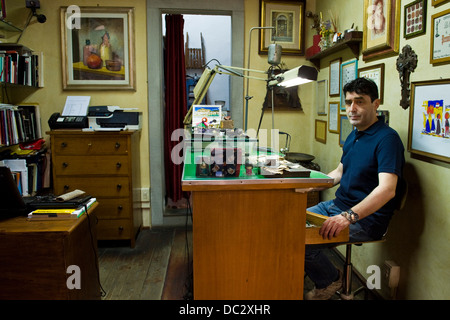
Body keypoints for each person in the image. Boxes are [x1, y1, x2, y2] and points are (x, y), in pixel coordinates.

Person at [304, 77, 405, 300]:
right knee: (287, 224)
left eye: (359, 101)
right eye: (348, 102)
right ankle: (323, 277)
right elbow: (339, 172)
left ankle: (329, 280)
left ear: (376, 104)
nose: (352, 108)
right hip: (337, 206)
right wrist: (308, 185)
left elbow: (388, 190)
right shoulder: (354, 134)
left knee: (300, 240)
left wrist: (347, 217)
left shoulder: (387, 139)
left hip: (365, 219)